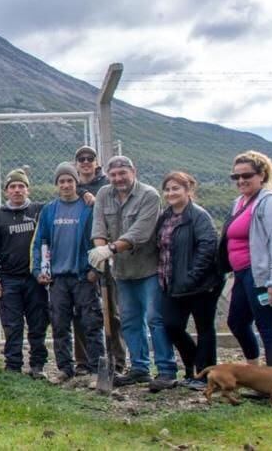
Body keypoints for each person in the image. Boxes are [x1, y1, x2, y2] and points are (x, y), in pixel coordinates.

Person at [89, 155, 177, 390]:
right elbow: (98, 225)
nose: (118, 179)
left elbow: (141, 232)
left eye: (122, 174)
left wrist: (110, 248)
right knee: (129, 320)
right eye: (114, 175)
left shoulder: (149, 195)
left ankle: (166, 370)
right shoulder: (103, 195)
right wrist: (100, 250)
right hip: (122, 271)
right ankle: (139, 368)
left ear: (133, 172)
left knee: (154, 319)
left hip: (148, 268)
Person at [220, 151, 272, 367]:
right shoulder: (240, 202)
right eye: (236, 177)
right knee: (237, 322)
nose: (241, 181)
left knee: (268, 329)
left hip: (265, 275)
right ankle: (254, 371)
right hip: (244, 274)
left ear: (262, 175)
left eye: (247, 175)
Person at [32, 163, 104, 382]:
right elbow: (39, 243)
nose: (65, 185)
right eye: (61, 181)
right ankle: (65, 369)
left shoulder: (88, 208)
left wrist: (96, 270)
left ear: (76, 183)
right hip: (58, 278)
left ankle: (96, 370)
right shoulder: (49, 210)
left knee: (91, 324)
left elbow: (98, 239)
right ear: (56, 184)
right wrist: (38, 271)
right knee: (60, 325)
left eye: (70, 181)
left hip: (83, 276)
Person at [155, 171, 222, 390]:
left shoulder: (198, 216)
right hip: (171, 284)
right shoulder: (165, 217)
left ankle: (205, 376)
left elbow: (208, 246)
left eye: (176, 188)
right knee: (172, 326)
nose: (171, 193)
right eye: (167, 189)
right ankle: (193, 365)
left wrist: (193, 276)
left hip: (200, 285)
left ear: (188, 190)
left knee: (204, 329)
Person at [0, 168, 48, 378]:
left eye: (21, 186)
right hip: (9, 278)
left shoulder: (39, 210)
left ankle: (37, 364)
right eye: (12, 187)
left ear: (27, 189)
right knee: (12, 324)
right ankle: (13, 365)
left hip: (34, 278)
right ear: (6, 191)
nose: (17, 190)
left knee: (37, 322)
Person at [72, 145, 124, 375]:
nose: (85, 162)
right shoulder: (71, 186)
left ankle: (117, 359)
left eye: (89, 158)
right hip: (80, 256)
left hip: (106, 252)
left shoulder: (106, 187)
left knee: (111, 310)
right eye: (81, 159)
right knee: (82, 311)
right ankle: (83, 361)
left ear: (96, 162)